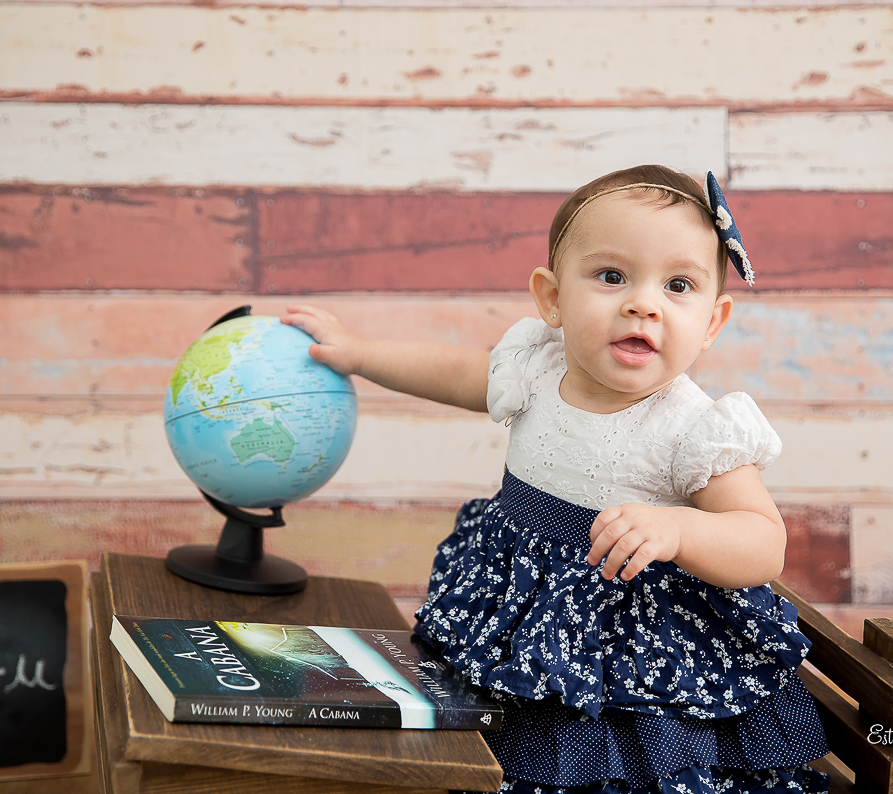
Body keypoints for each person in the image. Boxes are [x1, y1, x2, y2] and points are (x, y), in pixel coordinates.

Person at [282, 165, 830, 794]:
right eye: (611, 276)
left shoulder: (694, 430)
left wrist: (678, 527)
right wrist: (358, 354)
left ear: (712, 321)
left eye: (678, 285)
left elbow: (763, 543)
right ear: (552, 299)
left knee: (595, 764)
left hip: (623, 646)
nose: (642, 303)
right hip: (520, 613)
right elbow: (452, 372)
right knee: (478, 742)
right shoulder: (536, 370)